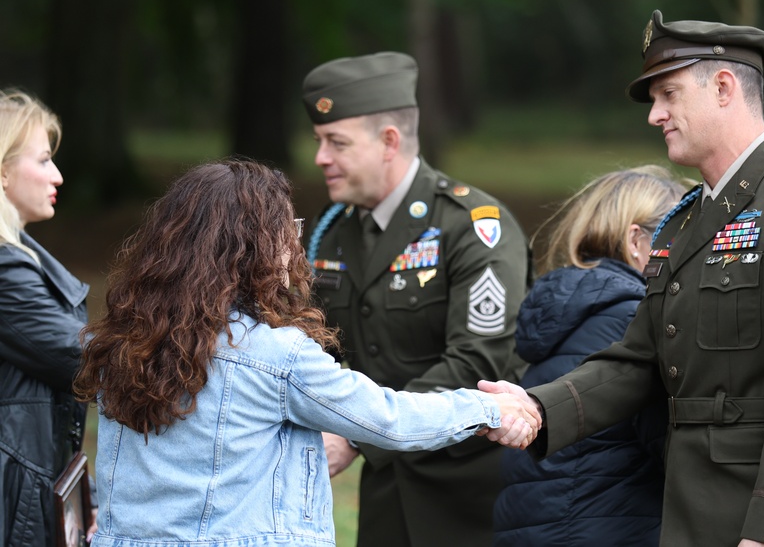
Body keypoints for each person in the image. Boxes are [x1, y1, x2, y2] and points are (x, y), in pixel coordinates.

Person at [481, 13, 764, 547]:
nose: (655, 114)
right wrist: (538, 407)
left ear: (722, 87)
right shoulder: (687, 222)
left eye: (667, 93)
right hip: (692, 516)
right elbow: (638, 362)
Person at [73, 159, 537, 547]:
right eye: (286, 229)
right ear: (251, 246)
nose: (294, 244)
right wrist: (487, 407)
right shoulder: (274, 355)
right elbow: (389, 419)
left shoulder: (118, 342)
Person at [300, 52, 532, 547]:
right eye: (320, 141)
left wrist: (357, 435)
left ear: (389, 142)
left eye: (336, 142)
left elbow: (480, 359)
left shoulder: (470, 225)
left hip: (469, 491)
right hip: (388, 491)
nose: (320, 157)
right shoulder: (333, 232)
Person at [493, 165, 690, 547]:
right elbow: (673, 447)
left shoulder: (567, 309)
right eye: (677, 239)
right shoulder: (633, 317)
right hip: (609, 529)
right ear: (637, 240)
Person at [0, 90, 89, 547]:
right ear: (2, 171)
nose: (57, 174)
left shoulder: (18, 258)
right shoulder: (3, 269)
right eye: (44, 160)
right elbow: (83, 356)